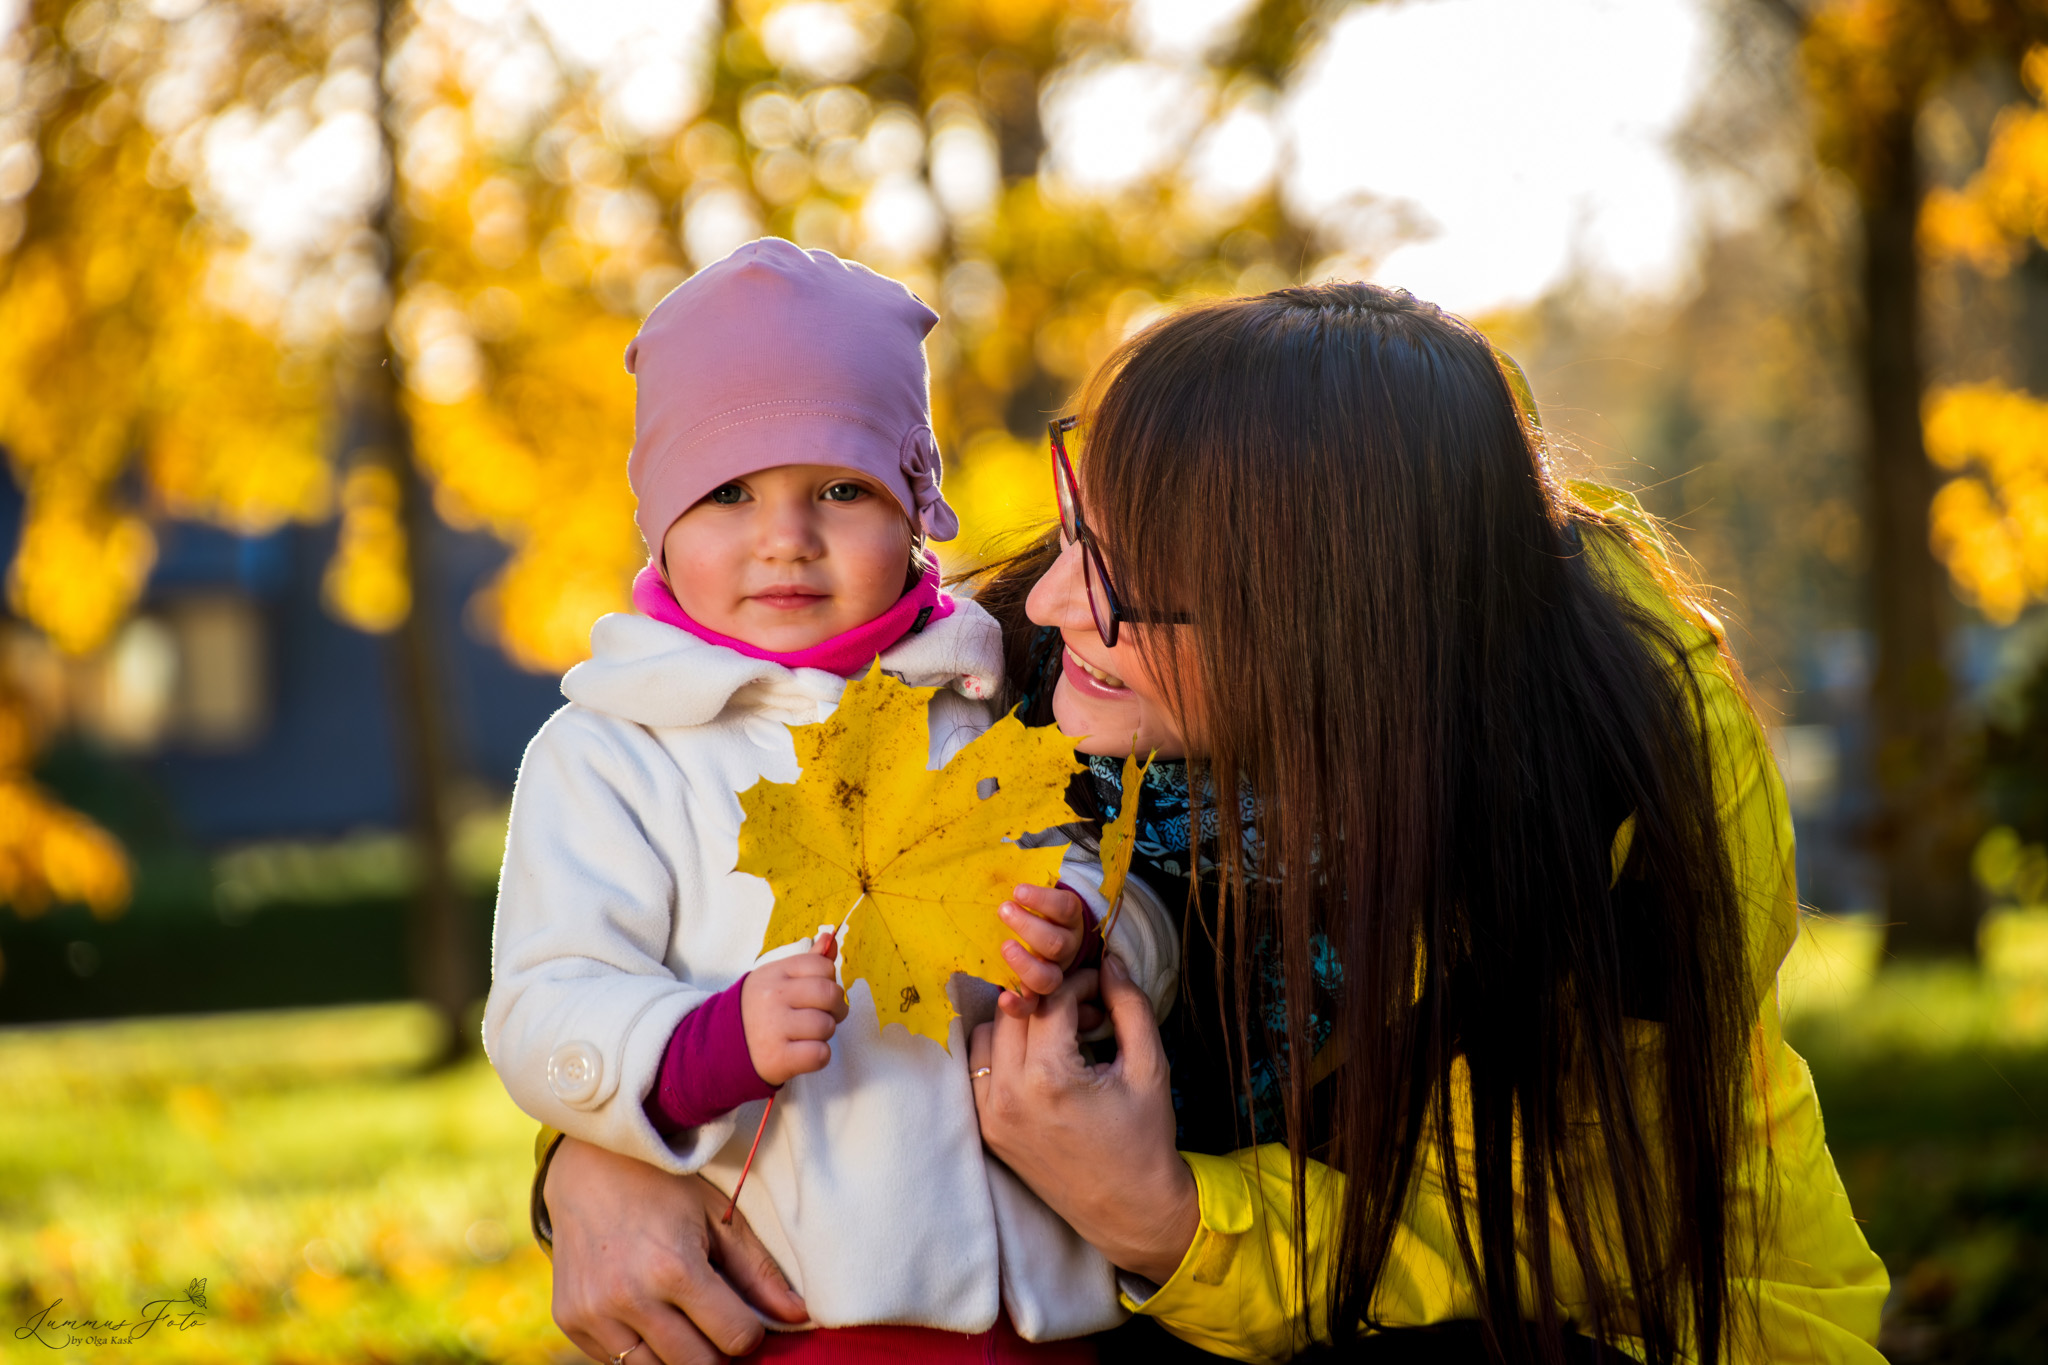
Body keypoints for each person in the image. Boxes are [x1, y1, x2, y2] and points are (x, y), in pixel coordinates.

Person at [967, 282, 1890, 1363]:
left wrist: (1158, 1218)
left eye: (1123, 578)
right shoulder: (1022, 669)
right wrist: (707, 1167)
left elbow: (1508, 1240)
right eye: (1077, 522)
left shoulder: (1598, 796)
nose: (1048, 601)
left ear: (1323, 626)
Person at [483, 239, 1177, 1365]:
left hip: (1044, 1310)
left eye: (841, 490)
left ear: (915, 509)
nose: (784, 538)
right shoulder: (613, 752)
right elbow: (546, 1001)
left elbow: (1110, 879)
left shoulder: (984, 699)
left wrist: (1088, 935)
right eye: (727, 493)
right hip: (792, 1315)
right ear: (657, 519)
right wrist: (706, 1042)